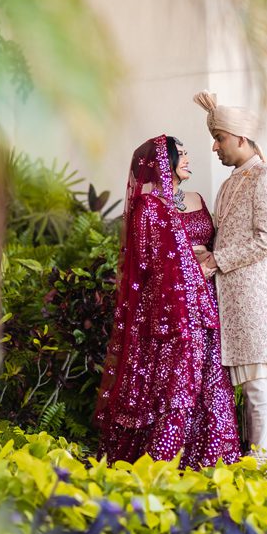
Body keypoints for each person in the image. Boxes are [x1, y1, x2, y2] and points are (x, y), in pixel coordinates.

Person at [95, 134, 241, 468]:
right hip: (171, 309)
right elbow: (149, 261)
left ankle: (212, 459)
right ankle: (165, 460)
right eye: (182, 154)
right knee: (178, 381)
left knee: (209, 380)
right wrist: (189, 259)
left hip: (206, 302)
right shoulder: (149, 207)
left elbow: (217, 244)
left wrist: (208, 257)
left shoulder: (197, 198)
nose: (188, 159)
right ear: (164, 162)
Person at [193, 91, 267, 463]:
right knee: (239, 385)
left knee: (257, 383)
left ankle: (262, 465)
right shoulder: (231, 183)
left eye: (219, 138)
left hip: (251, 294)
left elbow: (266, 240)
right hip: (226, 295)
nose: (215, 147)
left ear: (241, 138)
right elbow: (225, 236)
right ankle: (247, 461)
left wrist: (217, 261)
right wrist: (204, 252)